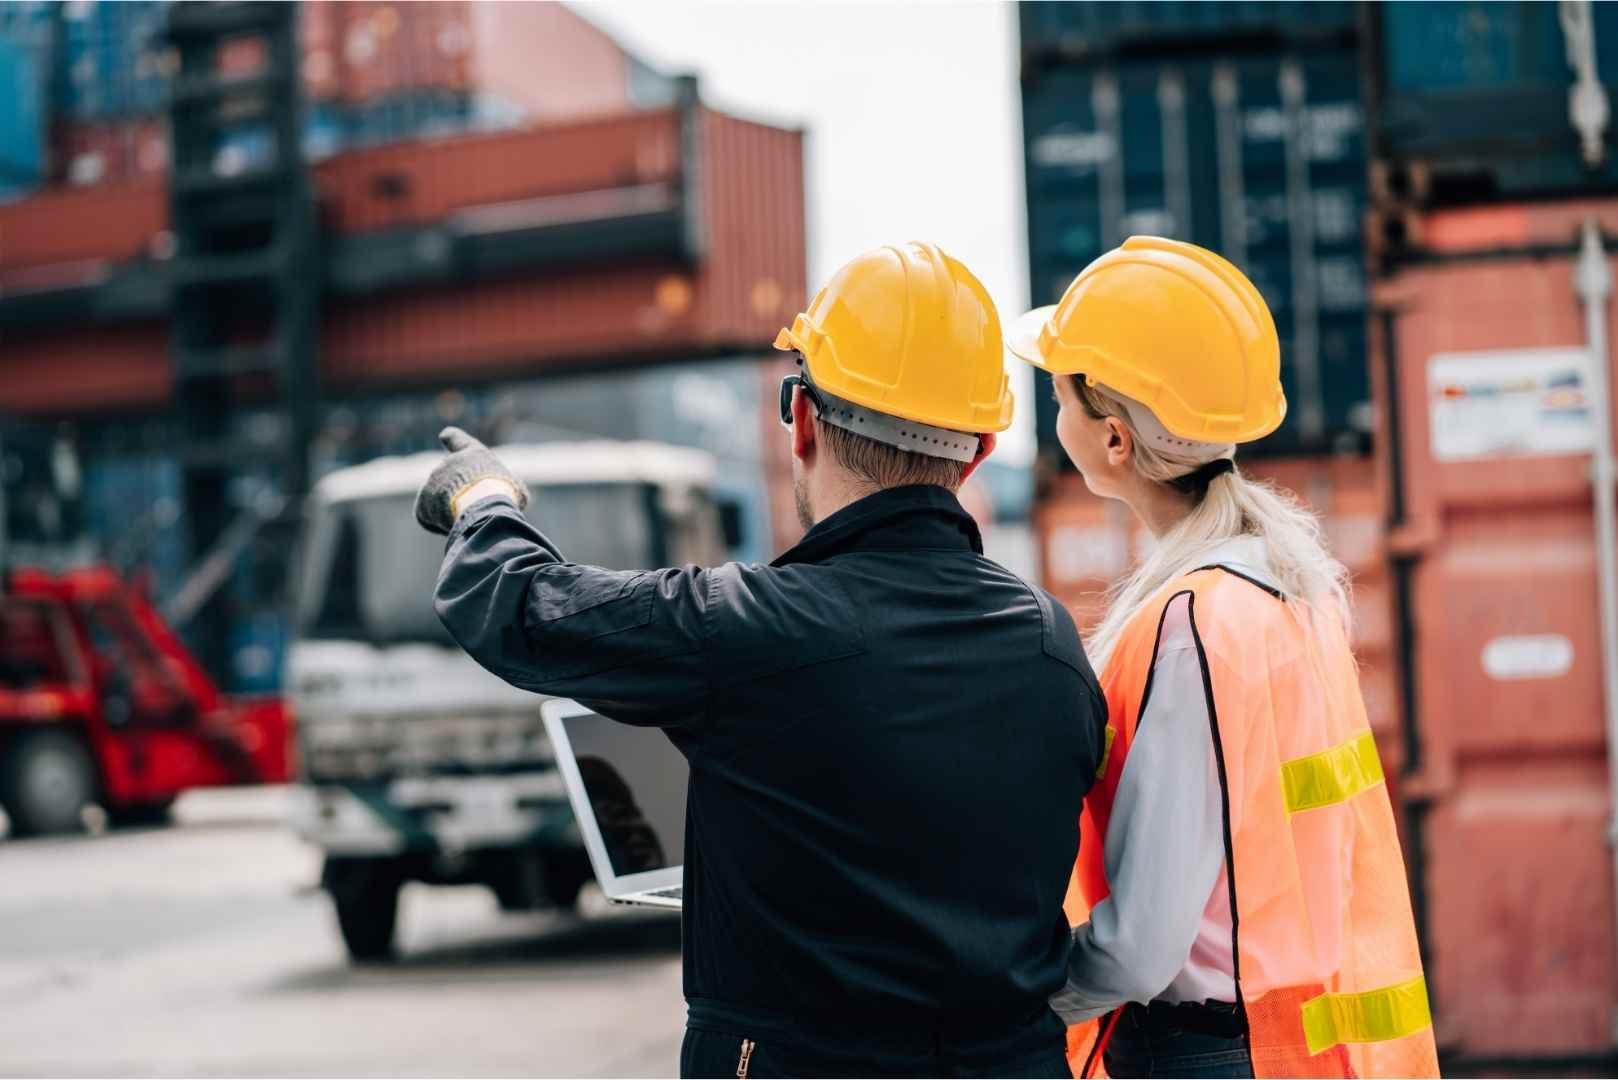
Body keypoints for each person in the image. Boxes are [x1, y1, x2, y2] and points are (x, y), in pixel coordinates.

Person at [416, 241, 1107, 1079]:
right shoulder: (1050, 642)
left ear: (805, 419)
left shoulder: (746, 630)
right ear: (980, 450)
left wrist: (483, 498)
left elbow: (520, 604)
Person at [1009, 236, 1439, 1080]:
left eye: (1059, 394)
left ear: (1114, 439)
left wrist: (1013, 1000)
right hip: (1294, 1046)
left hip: (1205, 1055)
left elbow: (1141, 946)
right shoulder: (1288, 588)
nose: (1052, 417)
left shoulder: (1191, 621)